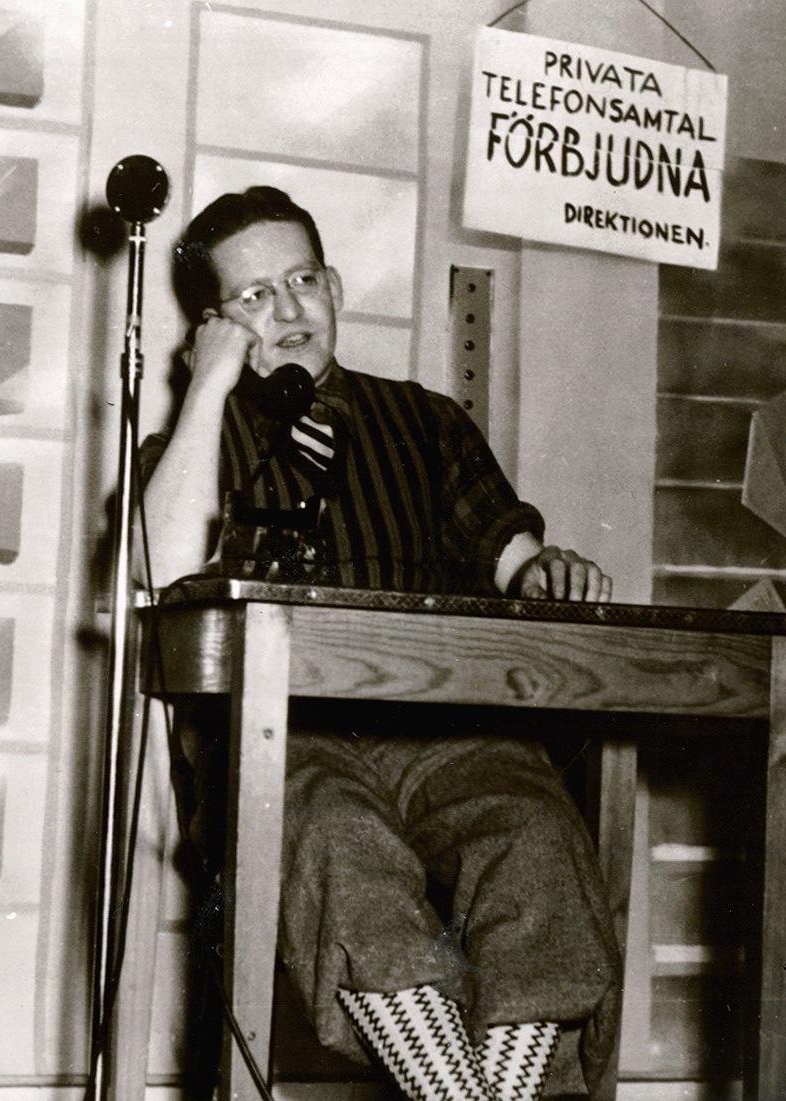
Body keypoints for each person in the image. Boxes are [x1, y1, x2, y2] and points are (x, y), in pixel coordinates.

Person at [140, 186, 620, 1101]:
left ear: (335, 287)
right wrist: (210, 384)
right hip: (288, 740)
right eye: (253, 297)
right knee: (338, 842)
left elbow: (517, 558)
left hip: (446, 729)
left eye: (302, 280)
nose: (287, 310)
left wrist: (548, 567)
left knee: (536, 833)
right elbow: (161, 565)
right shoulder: (203, 435)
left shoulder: (423, 420)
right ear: (214, 325)